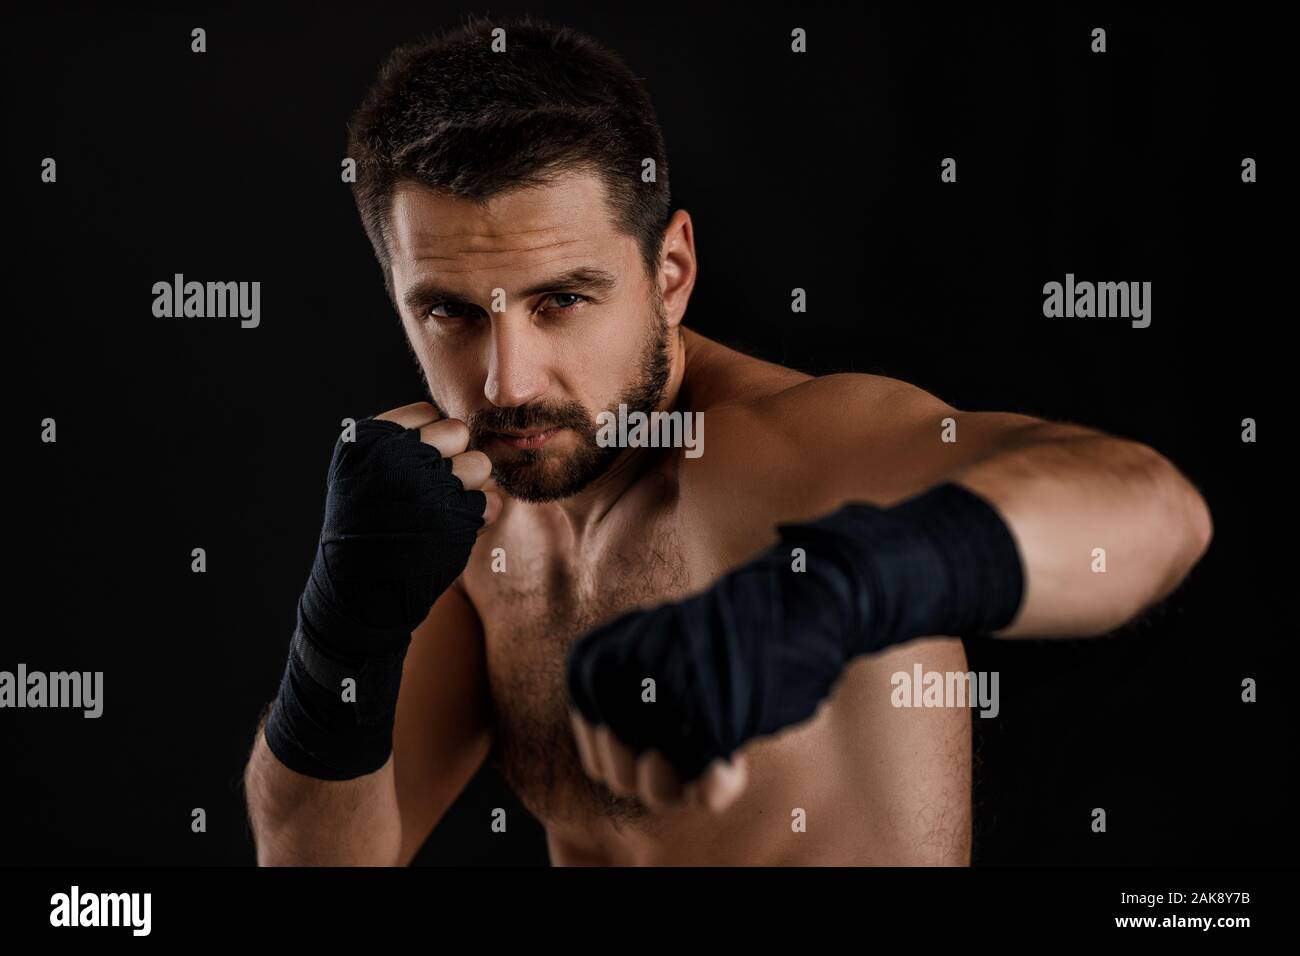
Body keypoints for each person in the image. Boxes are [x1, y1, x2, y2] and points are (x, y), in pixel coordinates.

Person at [243, 16, 1212, 866]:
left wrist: (850, 584)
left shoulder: (797, 449)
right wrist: (346, 622)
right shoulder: (460, 512)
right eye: (449, 311)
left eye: (563, 300)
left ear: (669, 269)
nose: (508, 381)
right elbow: (316, 859)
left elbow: (1152, 510)